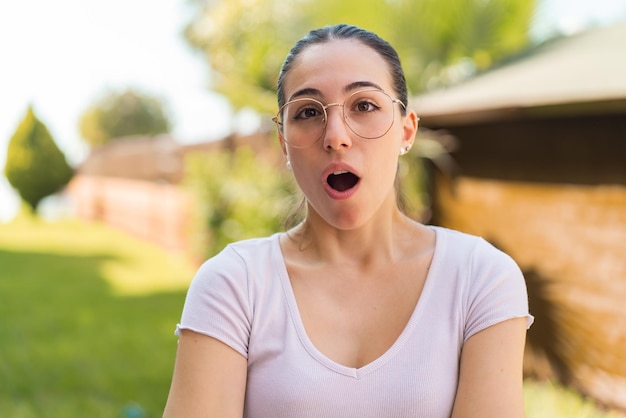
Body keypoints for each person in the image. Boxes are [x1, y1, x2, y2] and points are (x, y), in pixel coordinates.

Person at [163, 24, 533, 417]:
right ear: (284, 142)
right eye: (308, 112)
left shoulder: (480, 278)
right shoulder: (234, 285)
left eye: (364, 105)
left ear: (406, 130)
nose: (335, 136)